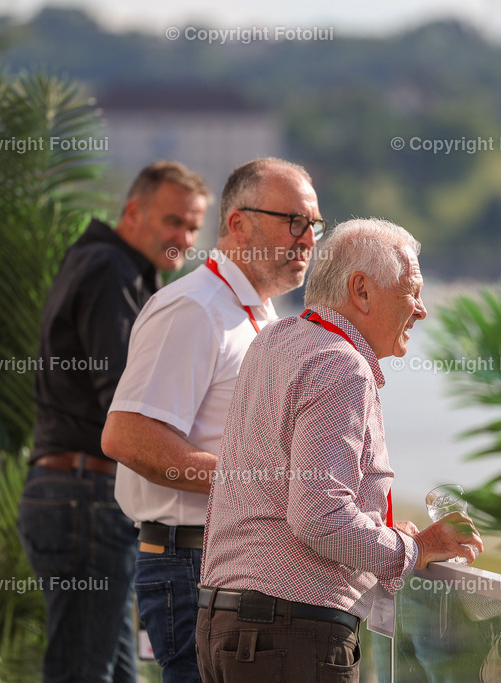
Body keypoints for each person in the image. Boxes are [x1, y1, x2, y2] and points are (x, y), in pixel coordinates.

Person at [196, 217, 485, 683]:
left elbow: (290, 491)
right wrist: (416, 547)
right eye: (412, 290)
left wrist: (381, 532)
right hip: (289, 634)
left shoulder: (274, 340)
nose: (422, 310)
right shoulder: (340, 364)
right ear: (362, 290)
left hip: (224, 622)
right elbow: (319, 517)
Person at [100, 157, 324, 683]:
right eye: (292, 221)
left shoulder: (252, 313)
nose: (307, 239)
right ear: (238, 224)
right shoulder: (194, 308)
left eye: (314, 224)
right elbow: (127, 437)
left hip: (224, 565)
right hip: (190, 565)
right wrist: (261, 484)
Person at [18, 161, 210, 683]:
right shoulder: (110, 268)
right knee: (84, 673)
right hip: (86, 495)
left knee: (115, 674)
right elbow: (126, 402)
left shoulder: (101, 262)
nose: (183, 238)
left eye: (193, 228)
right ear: (132, 212)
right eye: (173, 221)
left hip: (77, 493)